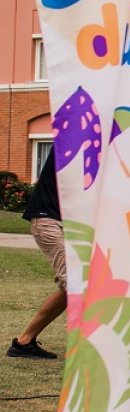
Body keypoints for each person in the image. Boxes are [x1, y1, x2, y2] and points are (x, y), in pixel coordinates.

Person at [7, 153, 66, 359]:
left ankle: (24, 342)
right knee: (76, 284)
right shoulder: (70, 140)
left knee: (72, 288)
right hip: (48, 221)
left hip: (66, 223)